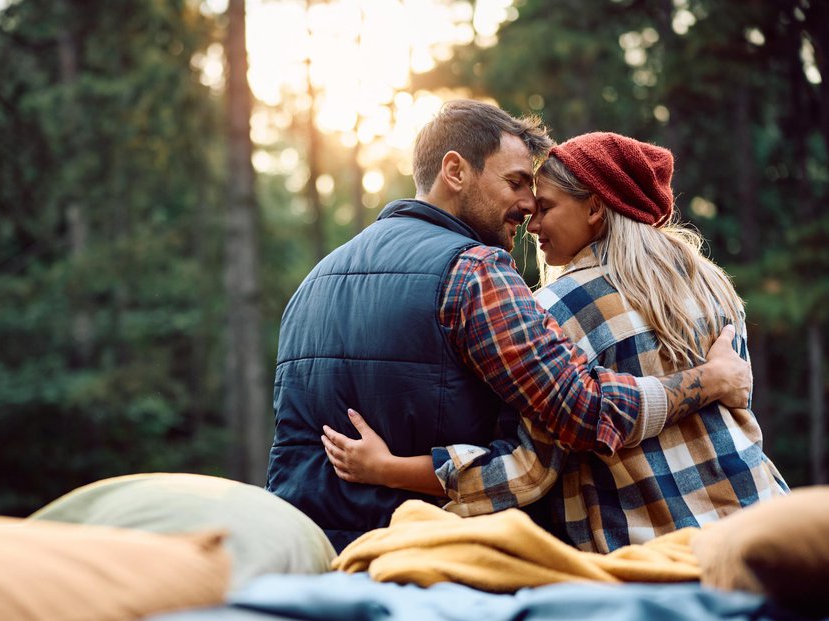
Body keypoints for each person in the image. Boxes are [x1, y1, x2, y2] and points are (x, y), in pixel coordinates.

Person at [266, 100, 751, 553]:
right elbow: (579, 411)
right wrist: (709, 382)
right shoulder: (476, 271)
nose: (527, 207)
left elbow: (292, 445)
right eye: (517, 182)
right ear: (455, 170)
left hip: (314, 557)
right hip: (433, 561)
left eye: (539, 198)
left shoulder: (314, 281)